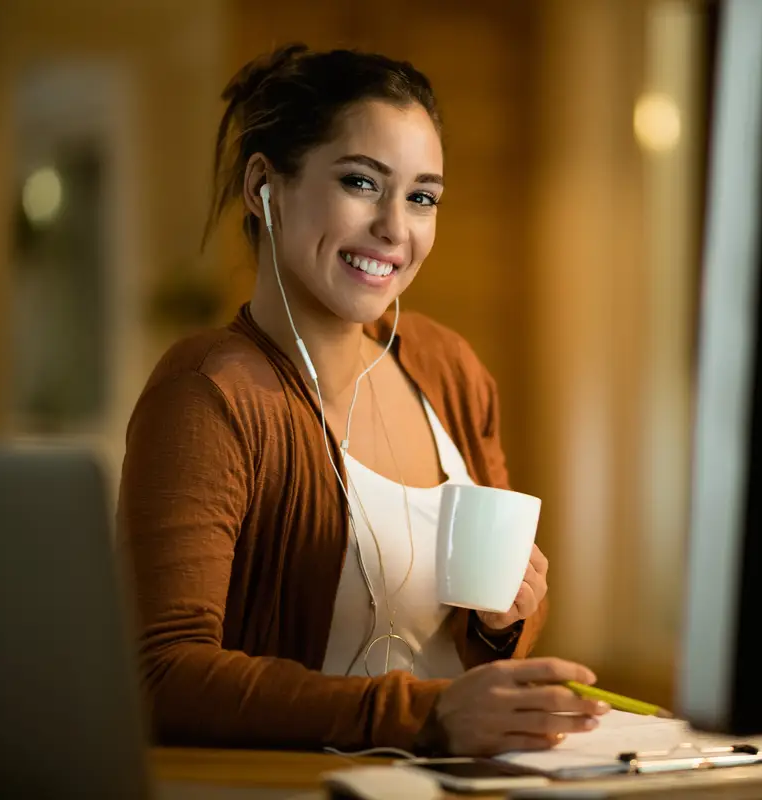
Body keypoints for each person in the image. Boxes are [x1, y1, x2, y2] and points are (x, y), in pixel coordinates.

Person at [117, 43, 607, 757]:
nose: (395, 229)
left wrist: (506, 619)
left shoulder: (449, 368)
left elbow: (482, 640)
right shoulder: (208, 392)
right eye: (360, 182)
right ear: (265, 187)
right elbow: (160, 676)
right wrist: (424, 717)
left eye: (422, 197)